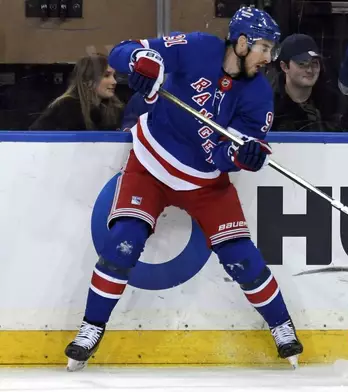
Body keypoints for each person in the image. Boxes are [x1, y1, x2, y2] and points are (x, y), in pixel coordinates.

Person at [63, 7, 303, 372]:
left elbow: (224, 155)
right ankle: (90, 328)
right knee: (123, 243)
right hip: (151, 164)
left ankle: (281, 325)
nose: (269, 58)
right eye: (265, 48)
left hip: (205, 182)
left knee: (242, 257)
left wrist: (243, 156)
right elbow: (123, 51)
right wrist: (143, 64)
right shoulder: (197, 47)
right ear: (241, 42)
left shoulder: (258, 94)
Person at [272, 34, 347, 131]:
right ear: (284, 67)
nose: (310, 70)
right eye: (302, 64)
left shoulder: (335, 103)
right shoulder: (267, 104)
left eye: (314, 63)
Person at [29, 54, 123, 131]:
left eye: (114, 76)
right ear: (88, 79)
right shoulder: (67, 107)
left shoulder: (114, 109)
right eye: (106, 75)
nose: (114, 81)